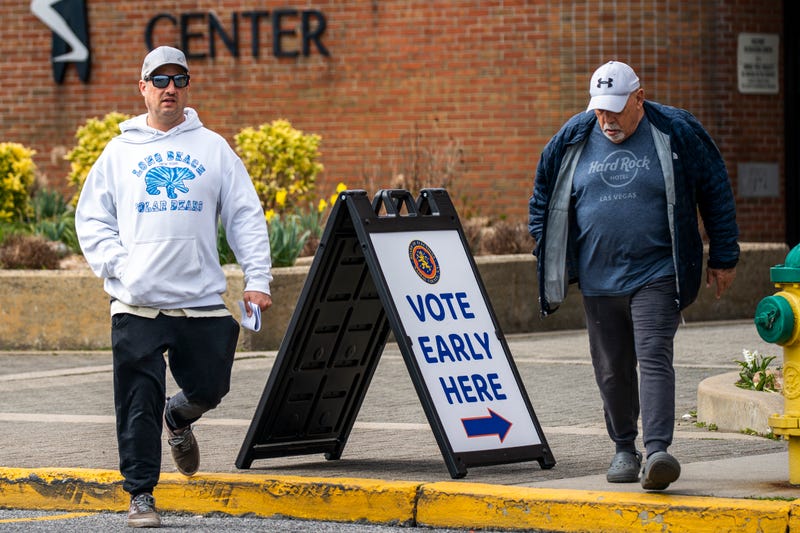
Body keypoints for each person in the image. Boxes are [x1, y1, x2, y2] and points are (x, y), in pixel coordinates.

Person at [75, 46, 273, 527]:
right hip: (137, 303)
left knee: (210, 386)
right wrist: (122, 269)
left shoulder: (212, 148)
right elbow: (92, 218)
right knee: (137, 402)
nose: (169, 88)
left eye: (178, 80)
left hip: (200, 300)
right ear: (142, 88)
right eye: (158, 80)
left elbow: (244, 215)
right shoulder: (119, 152)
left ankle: (179, 417)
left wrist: (257, 278)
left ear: (186, 88)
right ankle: (141, 494)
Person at [528, 60, 738, 491]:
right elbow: (542, 198)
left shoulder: (675, 129)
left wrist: (725, 254)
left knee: (654, 355)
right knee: (611, 368)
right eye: (600, 110)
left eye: (616, 109)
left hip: (658, 271)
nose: (606, 120)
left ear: (639, 99)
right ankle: (624, 448)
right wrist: (549, 249)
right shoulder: (573, 136)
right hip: (597, 276)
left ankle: (658, 450)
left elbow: (714, 186)